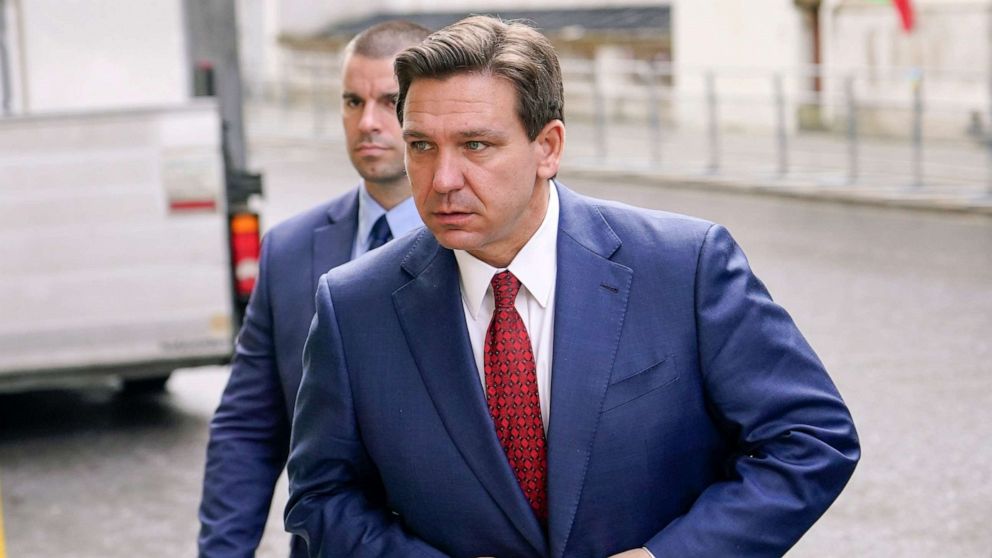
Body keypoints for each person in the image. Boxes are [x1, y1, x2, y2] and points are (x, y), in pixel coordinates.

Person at [285, 15, 860, 558]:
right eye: (421, 146)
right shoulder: (353, 306)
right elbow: (321, 497)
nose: (443, 179)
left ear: (549, 147)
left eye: (476, 145)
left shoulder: (685, 266)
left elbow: (811, 438)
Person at [197, 20, 430, 558]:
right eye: (352, 101)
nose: (367, 122)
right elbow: (249, 428)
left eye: (390, 102)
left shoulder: (477, 242)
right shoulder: (290, 250)